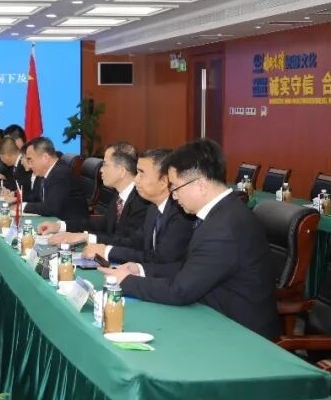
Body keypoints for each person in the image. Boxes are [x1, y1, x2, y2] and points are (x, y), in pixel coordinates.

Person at [99, 139, 280, 339]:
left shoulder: (224, 227)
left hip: (240, 335)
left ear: (200, 185)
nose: (174, 196)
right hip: (215, 317)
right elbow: (192, 267)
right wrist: (140, 270)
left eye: (176, 188)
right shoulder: (224, 212)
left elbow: (180, 291)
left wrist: (126, 282)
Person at [79, 148, 192, 266]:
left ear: (164, 181)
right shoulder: (153, 208)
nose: (136, 179)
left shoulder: (181, 214)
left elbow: (161, 259)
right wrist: (99, 245)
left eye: (141, 174)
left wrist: (107, 251)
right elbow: (135, 243)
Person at [42, 141, 148, 238]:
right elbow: (103, 223)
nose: (101, 170)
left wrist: (86, 238)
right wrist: (60, 226)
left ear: (121, 171)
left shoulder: (141, 201)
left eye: (105, 164)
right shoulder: (120, 194)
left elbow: (126, 242)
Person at [3, 137, 88, 228]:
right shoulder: (46, 173)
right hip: (54, 221)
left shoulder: (60, 173)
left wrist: (22, 206)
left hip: (72, 227)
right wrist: (17, 197)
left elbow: (51, 207)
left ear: (45, 158)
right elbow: (35, 197)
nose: (30, 165)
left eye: (31, 160)